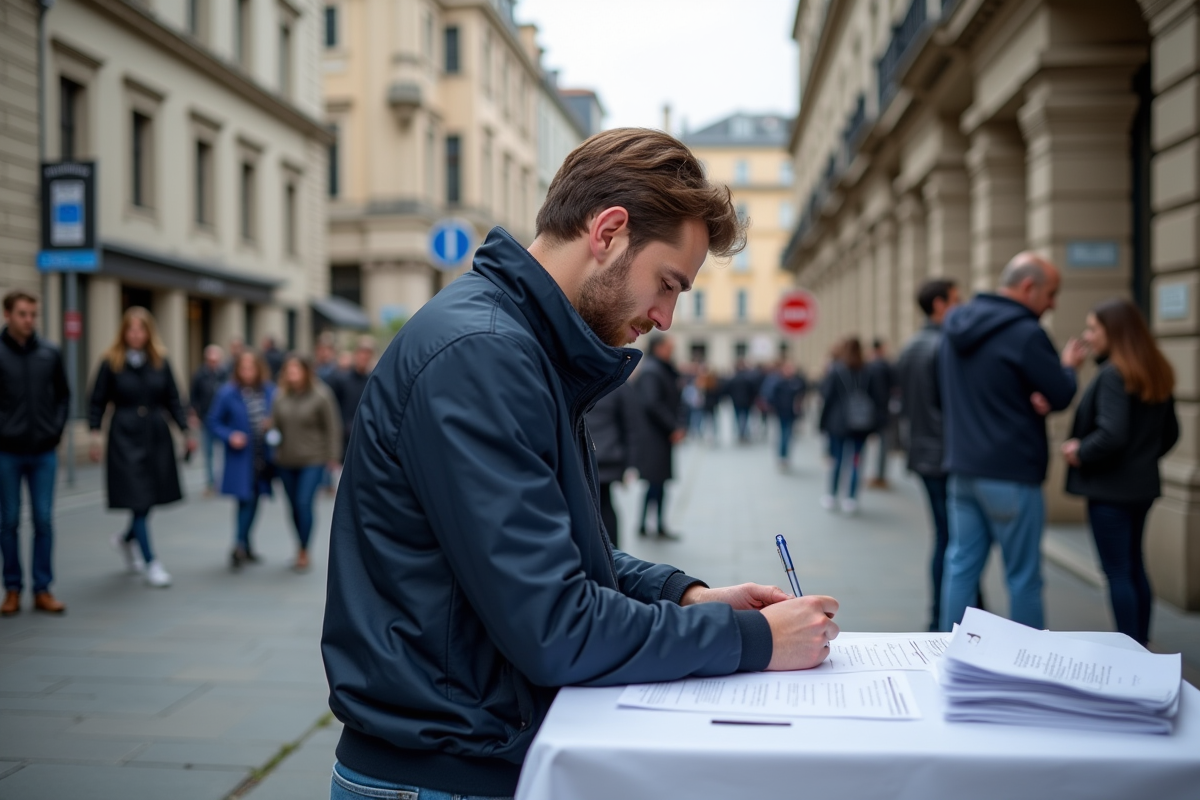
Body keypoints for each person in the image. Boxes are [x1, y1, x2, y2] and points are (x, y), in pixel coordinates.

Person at [321, 128, 840, 800]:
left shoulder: (522, 345)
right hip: (440, 775)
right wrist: (753, 639)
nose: (666, 316)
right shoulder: (483, 355)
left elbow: (551, 553)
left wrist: (682, 595)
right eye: (668, 283)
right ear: (609, 232)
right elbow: (554, 625)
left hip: (457, 758)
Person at [938, 253, 1086, 631]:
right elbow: (1060, 393)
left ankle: (946, 651)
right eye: (1051, 294)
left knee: (960, 567)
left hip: (962, 470)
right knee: (1023, 578)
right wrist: (1069, 368)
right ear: (1028, 287)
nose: (1053, 304)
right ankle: (1028, 659)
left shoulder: (955, 325)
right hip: (1012, 474)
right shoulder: (1026, 333)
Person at [1062, 299, 1179, 645]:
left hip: (1110, 490)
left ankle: (1129, 650)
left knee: (1118, 571)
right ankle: (1140, 643)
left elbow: (1112, 433)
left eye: (1093, 329)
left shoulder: (1114, 374)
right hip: (1141, 487)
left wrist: (1080, 451)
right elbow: (1171, 433)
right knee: (1133, 565)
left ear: (1114, 332)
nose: (1087, 336)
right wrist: (1141, 459)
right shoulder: (1154, 369)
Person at [897, 278, 983, 631]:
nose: (961, 306)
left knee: (948, 537)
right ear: (939, 304)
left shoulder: (911, 346)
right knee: (957, 541)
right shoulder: (946, 345)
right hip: (947, 456)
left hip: (923, 453)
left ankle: (950, 613)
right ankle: (948, 617)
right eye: (956, 299)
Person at [88, 307, 193, 588]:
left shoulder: (160, 361)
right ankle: (151, 562)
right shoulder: (111, 362)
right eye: (131, 329)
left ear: (149, 332)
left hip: (155, 436)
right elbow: (97, 400)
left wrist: (185, 430)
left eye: (141, 329)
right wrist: (95, 434)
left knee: (148, 500)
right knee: (138, 499)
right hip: (124, 436)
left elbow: (173, 398)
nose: (136, 334)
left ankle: (126, 539)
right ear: (124, 332)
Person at [0, 291, 70, 616]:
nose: (29, 320)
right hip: (7, 452)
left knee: (43, 519)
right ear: (7, 315)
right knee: (9, 521)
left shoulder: (50, 352)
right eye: (22, 314)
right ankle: (12, 589)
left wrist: (55, 430)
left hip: (44, 451)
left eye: (33, 314)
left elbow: (63, 396)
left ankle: (43, 589)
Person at [271, 354, 342, 572]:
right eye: (288, 370)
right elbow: (275, 426)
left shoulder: (321, 395)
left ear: (305, 372)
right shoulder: (280, 396)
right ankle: (299, 544)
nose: (291, 374)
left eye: (296, 370)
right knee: (293, 506)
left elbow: (332, 427)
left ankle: (304, 549)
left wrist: (333, 456)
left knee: (304, 503)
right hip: (286, 460)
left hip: (313, 458)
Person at [208, 351, 276, 570]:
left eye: (251, 368)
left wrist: (272, 424)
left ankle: (246, 543)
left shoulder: (269, 391)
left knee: (256, 498)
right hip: (241, 457)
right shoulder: (228, 393)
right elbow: (213, 421)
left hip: (263, 454)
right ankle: (238, 544)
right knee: (245, 499)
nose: (247, 372)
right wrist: (230, 436)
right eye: (243, 368)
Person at [633, 335, 686, 540]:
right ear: (658, 348)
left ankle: (652, 525)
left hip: (658, 436)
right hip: (654, 437)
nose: (672, 351)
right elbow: (652, 403)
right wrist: (673, 427)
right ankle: (650, 525)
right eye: (669, 347)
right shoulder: (652, 371)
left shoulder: (657, 369)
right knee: (655, 482)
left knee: (658, 483)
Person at [818, 337, 879, 514]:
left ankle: (832, 495)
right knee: (855, 461)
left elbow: (827, 398)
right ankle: (851, 498)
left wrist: (822, 423)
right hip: (861, 423)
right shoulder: (868, 371)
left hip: (838, 423)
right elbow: (877, 398)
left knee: (837, 460)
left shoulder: (836, 370)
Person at [585, 381, 634, 548]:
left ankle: (606, 548)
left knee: (599, 502)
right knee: (605, 503)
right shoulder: (617, 385)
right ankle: (612, 549)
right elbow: (630, 424)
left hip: (591, 453)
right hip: (609, 454)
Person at [189, 345, 226, 495]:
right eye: (210, 360)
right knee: (208, 453)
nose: (213, 363)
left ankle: (222, 482)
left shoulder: (224, 374)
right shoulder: (200, 375)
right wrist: (193, 415)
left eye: (215, 360)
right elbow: (193, 397)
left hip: (224, 421)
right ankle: (211, 483)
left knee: (222, 453)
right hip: (206, 419)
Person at [329, 337, 374, 454]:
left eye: (367, 354)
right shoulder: (341, 379)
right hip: (343, 437)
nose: (364, 357)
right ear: (356, 354)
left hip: (364, 437)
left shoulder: (372, 381)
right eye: (361, 353)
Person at [866, 340, 897, 489]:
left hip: (868, 412)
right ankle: (880, 476)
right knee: (883, 446)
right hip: (884, 411)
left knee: (863, 445)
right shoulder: (886, 366)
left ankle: (864, 474)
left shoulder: (868, 366)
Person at [767, 361, 807, 471]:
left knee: (788, 434)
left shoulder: (796, 382)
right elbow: (772, 396)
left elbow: (802, 392)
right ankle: (782, 455)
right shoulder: (779, 382)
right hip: (781, 412)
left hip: (792, 412)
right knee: (784, 433)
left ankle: (785, 455)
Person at [726, 360, 760, 444]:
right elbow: (753, 390)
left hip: (736, 401)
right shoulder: (748, 379)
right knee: (745, 417)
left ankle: (740, 433)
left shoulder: (733, 379)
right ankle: (744, 433)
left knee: (738, 417)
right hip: (746, 401)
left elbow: (728, 390)